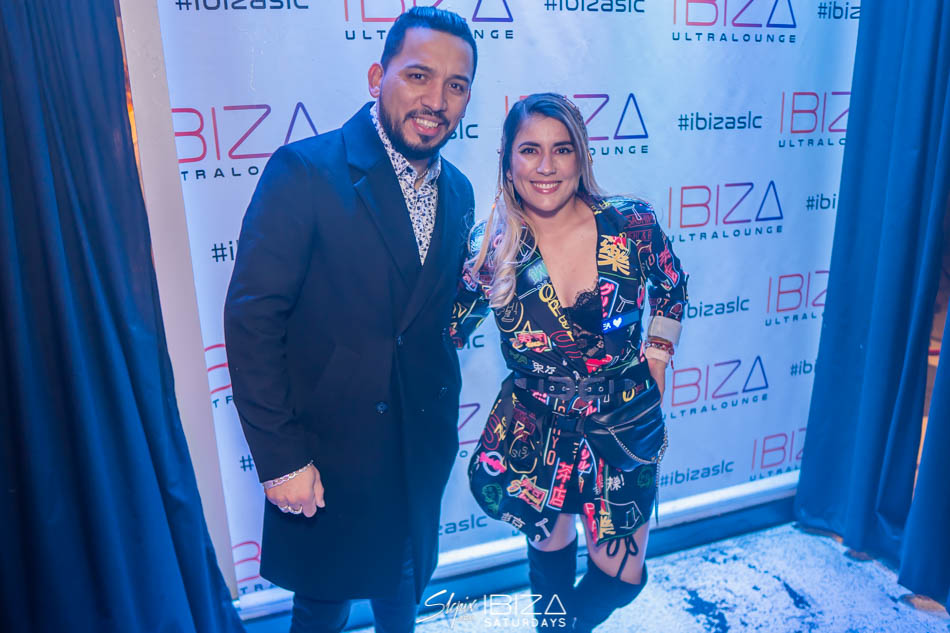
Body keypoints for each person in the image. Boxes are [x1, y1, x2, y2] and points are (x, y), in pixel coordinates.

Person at [223, 8, 477, 632]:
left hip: (417, 454)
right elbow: (253, 323)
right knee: (321, 610)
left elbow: (433, 321)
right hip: (327, 457)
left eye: (456, 84)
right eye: (418, 75)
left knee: (403, 595)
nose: (436, 100)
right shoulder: (305, 171)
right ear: (375, 77)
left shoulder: (461, 191)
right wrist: (281, 459)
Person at [450, 93, 688, 632]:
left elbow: (672, 286)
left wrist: (658, 353)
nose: (546, 166)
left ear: (581, 155)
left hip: (622, 423)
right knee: (551, 557)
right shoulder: (490, 246)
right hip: (536, 430)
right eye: (530, 150)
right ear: (508, 160)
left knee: (621, 578)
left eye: (561, 149)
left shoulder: (631, 223)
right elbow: (448, 331)